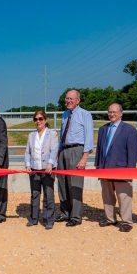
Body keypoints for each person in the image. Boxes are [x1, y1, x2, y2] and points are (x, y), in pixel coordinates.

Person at [94, 103, 137, 232]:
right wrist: (98, 167)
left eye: (114, 112)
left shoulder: (129, 130)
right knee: (107, 196)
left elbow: (133, 152)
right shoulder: (103, 129)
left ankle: (126, 221)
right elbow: (99, 150)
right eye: (110, 112)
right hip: (105, 169)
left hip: (122, 169)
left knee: (124, 197)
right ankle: (110, 219)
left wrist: (130, 172)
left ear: (120, 113)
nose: (112, 114)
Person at [56, 89, 94, 226]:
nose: (68, 101)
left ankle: (76, 216)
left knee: (75, 184)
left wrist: (84, 158)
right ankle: (65, 212)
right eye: (67, 98)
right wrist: (58, 153)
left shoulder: (85, 114)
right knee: (62, 183)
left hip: (77, 150)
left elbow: (89, 137)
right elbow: (62, 134)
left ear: (78, 100)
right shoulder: (65, 114)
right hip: (64, 151)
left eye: (71, 99)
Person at [24, 110, 58, 229]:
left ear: (45, 120)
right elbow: (28, 152)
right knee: (35, 194)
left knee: (48, 195)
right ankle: (34, 219)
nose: (38, 121)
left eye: (40, 119)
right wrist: (28, 165)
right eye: (36, 119)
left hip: (47, 169)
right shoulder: (31, 135)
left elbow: (54, 150)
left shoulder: (52, 134)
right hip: (34, 169)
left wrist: (50, 163)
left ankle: (49, 219)